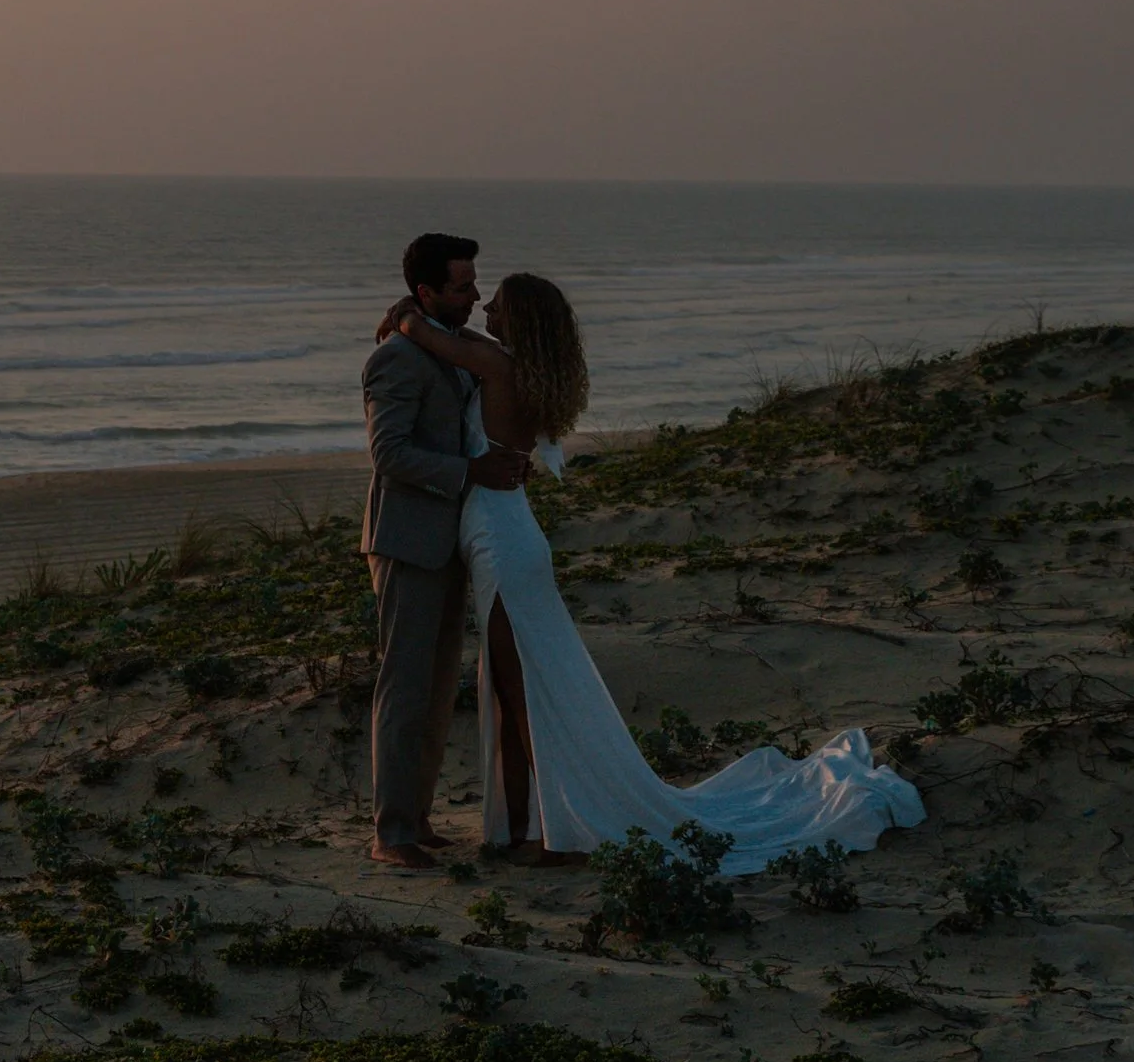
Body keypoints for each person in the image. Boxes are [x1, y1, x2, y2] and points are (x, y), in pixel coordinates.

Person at [372, 269, 926, 871]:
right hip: (503, 537)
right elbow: (453, 349)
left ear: (520, 322)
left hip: (501, 542)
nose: (485, 312)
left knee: (520, 693)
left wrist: (407, 313)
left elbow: (431, 339)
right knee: (514, 690)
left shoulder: (501, 368)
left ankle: (549, 833)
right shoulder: (515, 368)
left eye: (498, 306)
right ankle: (518, 830)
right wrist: (416, 314)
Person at [360, 230, 527, 869]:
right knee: (404, 688)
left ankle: (416, 818)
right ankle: (391, 832)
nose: (475, 294)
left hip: (450, 538)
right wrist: (470, 472)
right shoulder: (396, 359)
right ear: (427, 292)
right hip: (406, 540)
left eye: (474, 283)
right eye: (463, 286)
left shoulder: (449, 347)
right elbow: (389, 454)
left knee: (434, 690)